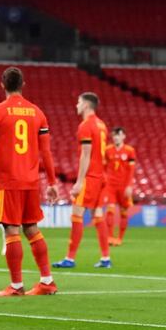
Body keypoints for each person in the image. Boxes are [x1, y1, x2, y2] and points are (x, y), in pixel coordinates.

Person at [0, 67, 59, 296]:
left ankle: (16, 285)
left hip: (9, 181)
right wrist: (52, 182)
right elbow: (46, 153)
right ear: (23, 84)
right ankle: (47, 281)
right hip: (32, 182)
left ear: (2, 85)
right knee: (32, 228)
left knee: (11, 230)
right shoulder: (37, 113)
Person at [53, 92, 112, 269]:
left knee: (76, 215)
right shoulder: (101, 125)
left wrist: (79, 182)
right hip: (101, 176)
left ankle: (70, 258)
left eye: (78, 102)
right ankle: (105, 258)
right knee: (97, 215)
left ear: (86, 105)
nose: (76, 105)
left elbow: (86, 155)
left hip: (91, 177)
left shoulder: (85, 126)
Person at [103, 127, 136, 246]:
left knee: (123, 212)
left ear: (124, 136)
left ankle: (120, 238)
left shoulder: (129, 151)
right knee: (110, 210)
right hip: (110, 185)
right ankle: (110, 237)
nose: (116, 137)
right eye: (114, 135)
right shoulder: (108, 150)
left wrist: (129, 186)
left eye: (118, 135)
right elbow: (104, 168)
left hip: (123, 186)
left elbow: (131, 170)